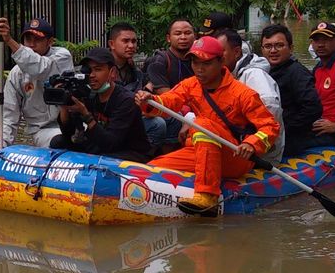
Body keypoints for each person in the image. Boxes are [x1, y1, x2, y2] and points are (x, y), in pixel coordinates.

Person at [135, 36, 280, 216]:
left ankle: (207, 195)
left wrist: (251, 144)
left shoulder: (242, 94)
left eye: (206, 63)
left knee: (202, 124)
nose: (199, 69)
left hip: (234, 156)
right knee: (154, 167)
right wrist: (150, 101)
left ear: (221, 62)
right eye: (195, 63)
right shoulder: (191, 84)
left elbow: (270, 127)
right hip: (202, 151)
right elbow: (169, 102)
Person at [50, 47, 153, 162]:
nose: (92, 75)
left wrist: (85, 114)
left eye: (97, 69)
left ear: (112, 73)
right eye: (88, 70)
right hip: (101, 146)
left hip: (129, 152)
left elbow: (110, 143)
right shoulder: (89, 95)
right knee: (58, 142)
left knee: (102, 158)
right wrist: (64, 104)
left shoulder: (126, 100)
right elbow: (69, 134)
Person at [0, 16, 74, 148]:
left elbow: (39, 67)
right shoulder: (17, 74)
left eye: (37, 39)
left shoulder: (62, 57)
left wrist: (9, 41)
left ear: (50, 41)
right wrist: (1, 144)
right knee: (60, 141)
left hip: (72, 123)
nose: (31, 45)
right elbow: (8, 114)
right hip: (43, 131)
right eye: (28, 40)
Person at [213, 29, 284, 162]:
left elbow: (271, 111)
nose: (215, 57)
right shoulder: (222, 76)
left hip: (257, 150)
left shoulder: (254, 76)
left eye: (221, 52)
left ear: (236, 52)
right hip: (236, 142)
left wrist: (251, 141)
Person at [259, 24, 324, 156]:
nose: (273, 51)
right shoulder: (260, 73)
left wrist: (283, 127)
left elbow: (313, 108)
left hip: (288, 137)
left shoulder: (297, 73)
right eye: (268, 46)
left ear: (291, 48)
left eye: (279, 45)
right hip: (264, 131)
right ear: (262, 50)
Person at [107, 21, 168, 148]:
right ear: (112, 44)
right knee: (158, 124)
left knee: (174, 117)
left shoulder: (134, 69)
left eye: (134, 41)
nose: (131, 45)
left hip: (135, 114)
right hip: (111, 119)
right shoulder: (103, 68)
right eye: (125, 41)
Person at [143, 19, 196, 147]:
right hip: (172, 111)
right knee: (175, 117)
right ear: (168, 38)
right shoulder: (160, 61)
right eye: (178, 33)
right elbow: (169, 99)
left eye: (187, 33)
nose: (183, 37)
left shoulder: (199, 59)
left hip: (196, 109)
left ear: (195, 36)